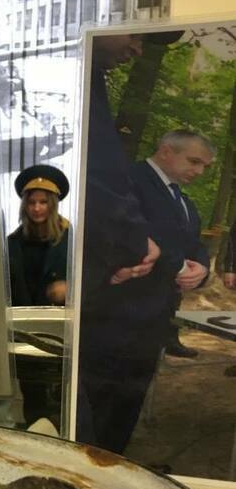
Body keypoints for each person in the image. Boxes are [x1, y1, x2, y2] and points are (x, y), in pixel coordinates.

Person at [76, 30, 184, 452]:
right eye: (136, 34)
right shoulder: (135, 178)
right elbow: (97, 182)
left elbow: (183, 241)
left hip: (143, 323)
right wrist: (137, 246)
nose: (138, 49)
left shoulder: (185, 201)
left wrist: (192, 264)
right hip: (109, 314)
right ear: (167, 150)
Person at [130, 130, 213, 363]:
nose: (200, 171)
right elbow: (131, 233)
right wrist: (180, 267)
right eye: (194, 162)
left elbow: (193, 242)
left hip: (160, 313)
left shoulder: (183, 200)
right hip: (125, 310)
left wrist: (202, 269)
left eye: (204, 166)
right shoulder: (128, 180)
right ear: (166, 151)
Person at [7, 165, 70, 307]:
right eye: (31, 202)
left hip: (60, 318)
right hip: (20, 318)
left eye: (43, 202)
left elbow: (92, 279)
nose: (36, 208)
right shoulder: (12, 242)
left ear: (53, 204)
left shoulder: (71, 239)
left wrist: (71, 288)